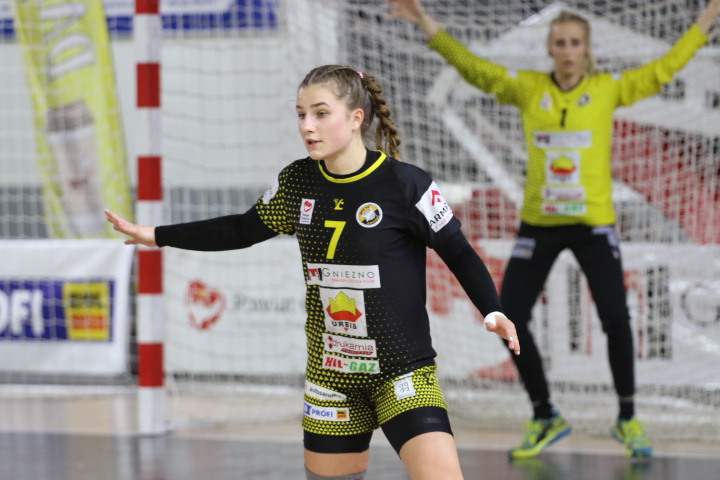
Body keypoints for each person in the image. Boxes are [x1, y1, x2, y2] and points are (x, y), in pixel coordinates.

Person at [106, 65, 521, 480]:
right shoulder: (297, 182)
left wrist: (492, 308)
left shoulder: (405, 184)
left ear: (356, 118)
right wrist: (156, 235)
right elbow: (242, 229)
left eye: (321, 113)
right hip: (330, 376)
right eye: (301, 114)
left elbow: (458, 251)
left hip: (401, 373)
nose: (307, 125)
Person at [388, 0, 720, 460]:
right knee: (508, 316)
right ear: (550, 49)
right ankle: (545, 415)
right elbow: (476, 70)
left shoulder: (607, 89)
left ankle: (627, 417)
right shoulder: (529, 89)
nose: (567, 50)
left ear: (586, 49)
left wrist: (707, 18)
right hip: (540, 226)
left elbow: (666, 68)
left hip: (592, 226)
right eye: (560, 43)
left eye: (575, 43)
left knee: (617, 320)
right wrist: (426, 23)